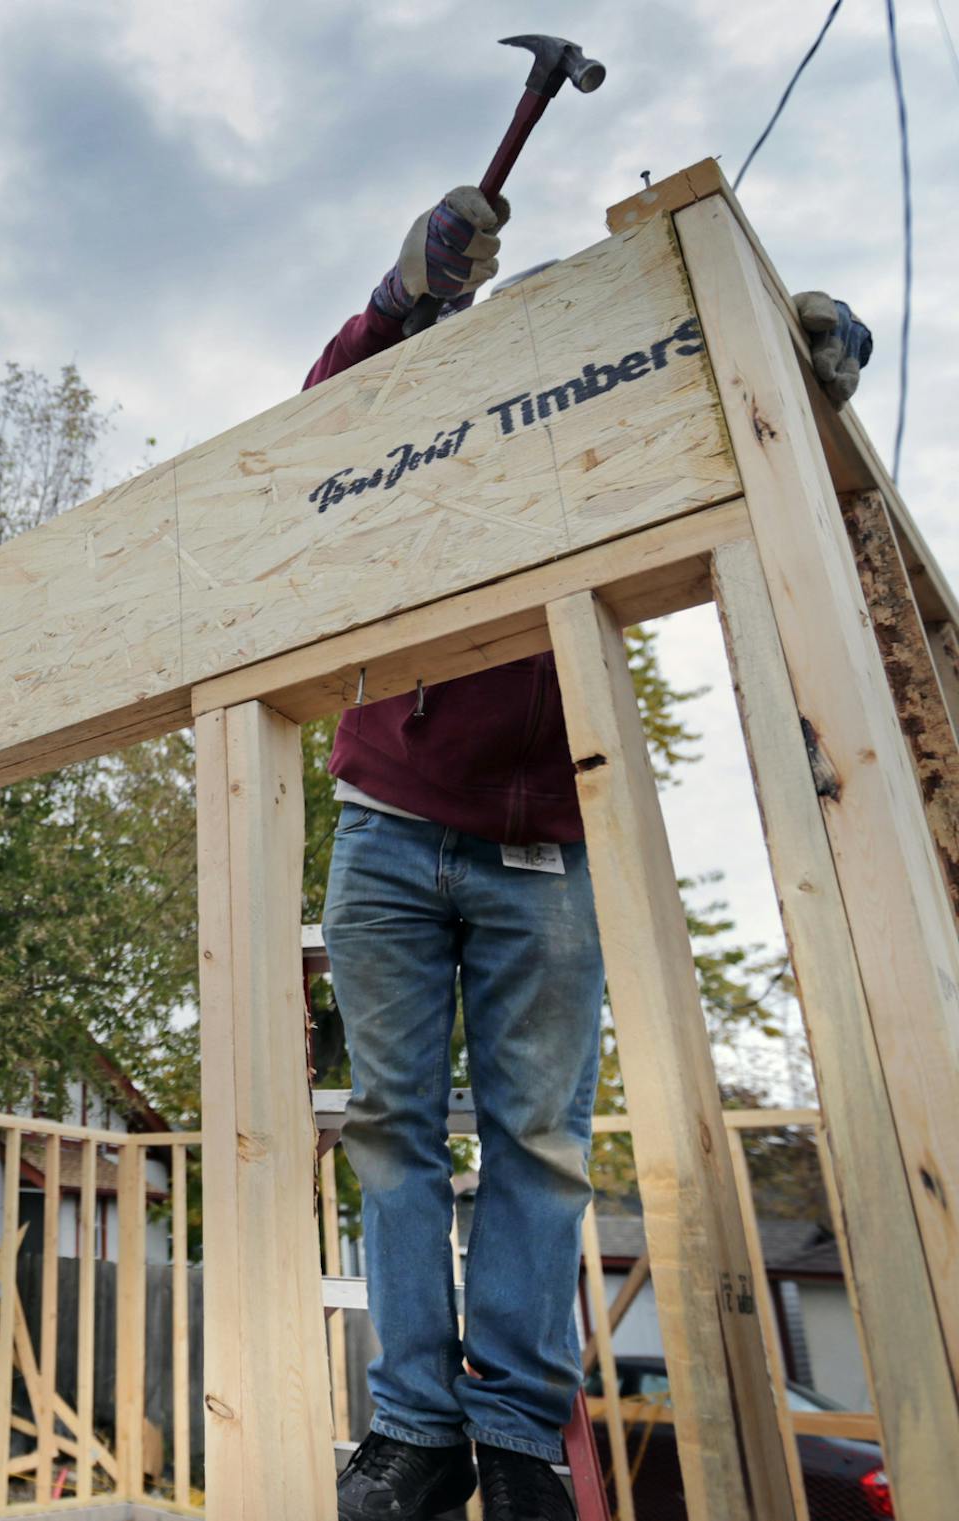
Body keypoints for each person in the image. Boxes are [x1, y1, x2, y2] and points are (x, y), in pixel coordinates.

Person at [315, 191, 872, 1521]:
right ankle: (414, 1427)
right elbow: (327, 421)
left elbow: (738, 423)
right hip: (392, 819)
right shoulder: (448, 432)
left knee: (542, 1140)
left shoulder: (626, 435)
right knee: (392, 1125)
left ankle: (511, 1435)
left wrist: (807, 374)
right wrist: (402, 303)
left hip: (549, 847)